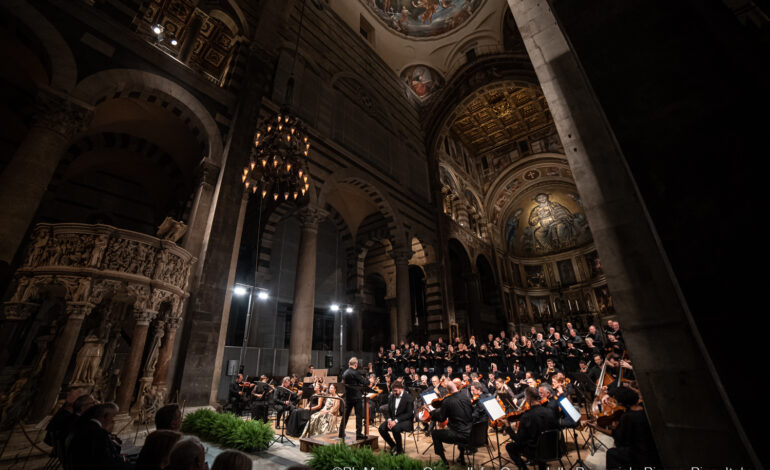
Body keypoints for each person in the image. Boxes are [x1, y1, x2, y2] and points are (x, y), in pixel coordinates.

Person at [590, 387, 661, 469]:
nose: (616, 403)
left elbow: (617, 436)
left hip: (641, 455)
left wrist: (596, 427)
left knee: (611, 453)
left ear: (622, 402)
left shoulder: (627, 417)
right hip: (654, 450)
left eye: (617, 401)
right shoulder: (644, 408)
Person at [505, 387, 560, 470]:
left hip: (535, 451)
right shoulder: (550, 411)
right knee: (540, 439)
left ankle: (524, 468)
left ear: (528, 398)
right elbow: (557, 427)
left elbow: (519, 440)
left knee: (510, 446)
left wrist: (508, 427)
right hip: (553, 448)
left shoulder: (527, 416)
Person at [66, 402, 124, 470]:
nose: (113, 421)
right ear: (106, 416)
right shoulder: (100, 433)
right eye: (113, 417)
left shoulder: (84, 426)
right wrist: (122, 459)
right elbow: (106, 462)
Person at [429, 379, 473, 466]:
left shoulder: (447, 401)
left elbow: (442, 419)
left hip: (459, 434)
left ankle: (444, 462)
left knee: (435, 433)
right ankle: (461, 458)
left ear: (448, 390)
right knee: (459, 426)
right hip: (471, 432)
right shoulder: (466, 397)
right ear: (455, 387)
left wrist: (432, 414)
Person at [378, 380, 414, 455]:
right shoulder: (392, 396)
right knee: (381, 428)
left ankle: (400, 451)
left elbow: (409, 414)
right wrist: (389, 420)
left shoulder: (408, 397)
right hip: (394, 420)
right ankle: (394, 445)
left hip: (406, 421)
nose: (394, 392)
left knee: (395, 428)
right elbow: (388, 410)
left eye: (395, 391)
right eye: (393, 391)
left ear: (401, 388)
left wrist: (396, 421)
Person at [338, 357, 367, 440]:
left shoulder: (345, 373)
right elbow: (365, 382)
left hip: (348, 397)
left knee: (345, 415)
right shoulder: (355, 373)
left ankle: (341, 432)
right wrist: (369, 380)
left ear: (348, 364)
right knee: (359, 416)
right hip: (357, 397)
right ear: (356, 364)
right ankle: (358, 434)